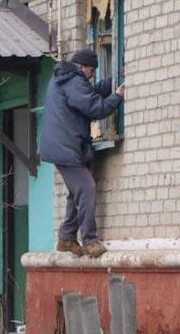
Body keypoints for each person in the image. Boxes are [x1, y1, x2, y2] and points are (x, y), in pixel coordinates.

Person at [38, 49, 124, 258]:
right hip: (66, 147)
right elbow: (95, 107)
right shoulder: (73, 82)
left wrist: (116, 80)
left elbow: (90, 92)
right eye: (91, 70)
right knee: (87, 188)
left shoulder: (65, 79)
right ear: (81, 67)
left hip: (62, 145)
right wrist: (117, 97)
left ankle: (67, 237)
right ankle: (90, 240)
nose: (93, 74)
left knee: (76, 192)